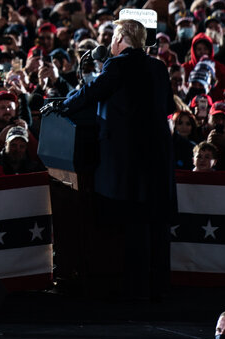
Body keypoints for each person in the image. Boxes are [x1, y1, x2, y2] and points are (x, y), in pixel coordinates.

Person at [53, 19, 175, 300]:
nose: (109, 41)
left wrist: (62, 104)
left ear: (122, 37)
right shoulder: (158, 67)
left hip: (128, 160)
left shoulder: (117, 65)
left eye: (112, 35)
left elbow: (91, 93)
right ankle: (159, 288)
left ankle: (135, 291)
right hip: (157, 157)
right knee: (155, 224)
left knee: (134, 225)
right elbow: (167, 106)